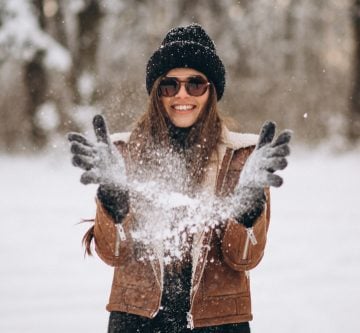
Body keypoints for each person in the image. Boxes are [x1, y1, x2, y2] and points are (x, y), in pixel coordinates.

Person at [68, 23, 291, 333]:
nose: (182, 95)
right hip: (136, 322)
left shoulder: (242, 158)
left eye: (195, 84)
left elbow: (243, 260)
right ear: (157, 92)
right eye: (170, 85)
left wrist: (247, 211)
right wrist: (113, 206)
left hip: (219, 324)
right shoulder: (123, 154)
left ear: (211, 90)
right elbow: (114, 253)